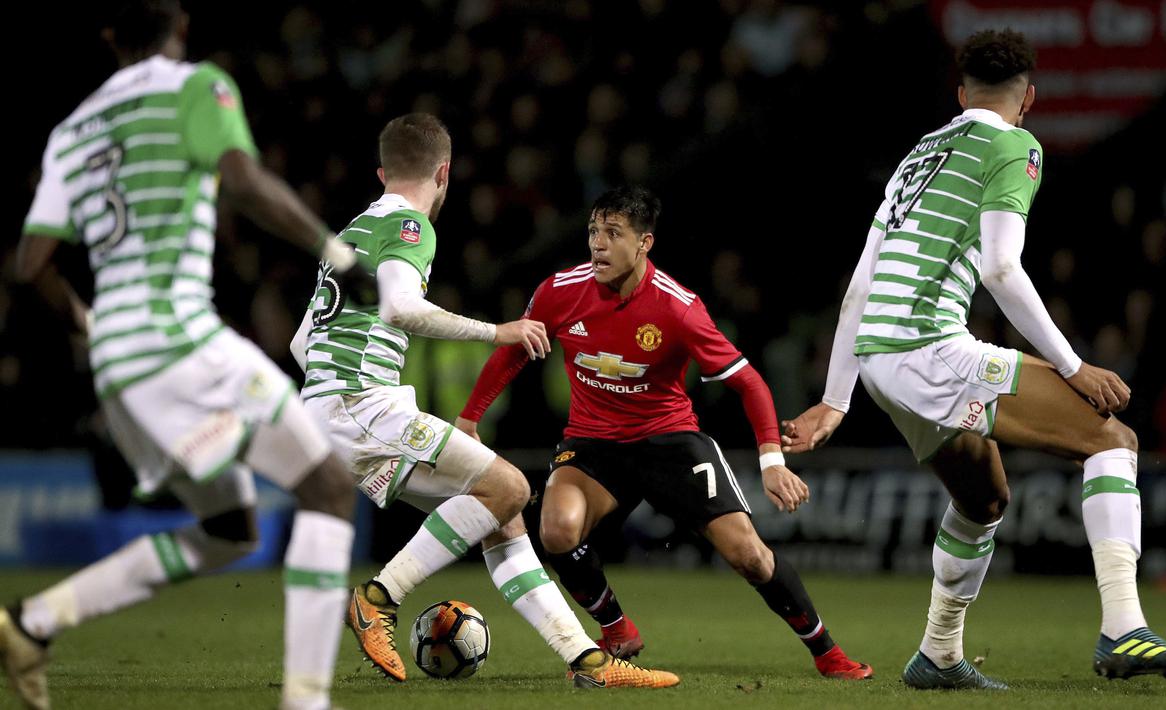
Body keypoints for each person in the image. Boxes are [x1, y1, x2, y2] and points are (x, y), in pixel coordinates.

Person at [782, 28, 1166, 690]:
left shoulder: (918, 154)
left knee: (982, 498)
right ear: (1029, 99)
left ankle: (937, 655)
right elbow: (1001, 270)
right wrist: (1074, 367)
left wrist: (835, 399)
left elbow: (861, 284)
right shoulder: (1014, 145)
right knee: (1111, 439)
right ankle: (1123, 629)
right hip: (926, 348)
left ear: (961, 93)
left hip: (879, 363)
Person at [1, 2, 366, 709]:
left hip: (119, 364)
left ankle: (31, 623)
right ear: (183, 25)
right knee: (327, 486)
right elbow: (243, 179)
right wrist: (336, 253)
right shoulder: (196, 86)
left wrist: (89, 324)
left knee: (231, 530)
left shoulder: (71, 130)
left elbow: (30, 263)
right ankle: (307, 702)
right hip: (180, 340)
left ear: (109, 34)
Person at [289, 114, 678, 689]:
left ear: (382, 171)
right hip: (361, 404)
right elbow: (399, 309)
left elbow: (301, 342)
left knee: (501, 516)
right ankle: (377, 598)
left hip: (332, 408)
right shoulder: (410, 227)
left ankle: (587, 663)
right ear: (444, 172)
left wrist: (333, 395)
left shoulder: (349, 233)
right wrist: (500, 331)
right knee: (512, 487)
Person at [457, 185, 872, 680]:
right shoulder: (559, 291)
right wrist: (468, 419)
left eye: (614, 233)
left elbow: (748, 382)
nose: (598, 245)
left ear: (644, 243)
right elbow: (514, 349)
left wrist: (772, 462)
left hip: (668, 440)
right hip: (593, 444)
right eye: (593, 231)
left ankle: (827, 653)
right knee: (556, 532)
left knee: (749, 556)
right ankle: (617, 630)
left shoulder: (677, 307)